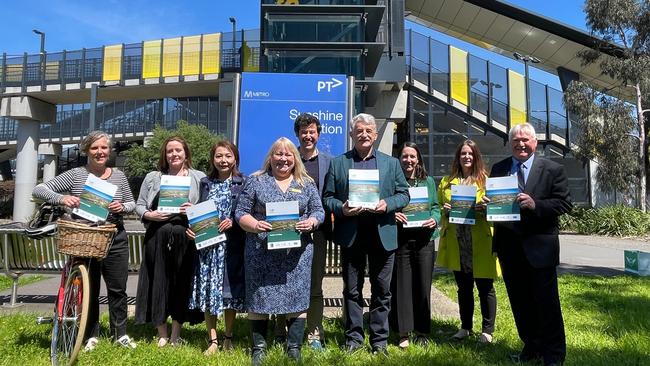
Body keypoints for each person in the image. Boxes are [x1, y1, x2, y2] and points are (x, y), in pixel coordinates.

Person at [32, 130, 137, 350]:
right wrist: (63, 198)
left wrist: (122, 207)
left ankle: (121, 334)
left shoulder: (119, 176)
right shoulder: (76, 174)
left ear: (110, 150)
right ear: (87, 151)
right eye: (95, 148)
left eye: (104, 148)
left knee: (117, 288)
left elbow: (131, 203)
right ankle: (91, 334)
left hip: (114, 235)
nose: (100, 152)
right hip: (86, 237)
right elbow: (40, 189)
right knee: (90, 288)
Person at [323, 113, 410, 355]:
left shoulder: (391, 164)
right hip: (352, 235)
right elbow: (327, 198)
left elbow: (404, 194)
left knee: (382, 290)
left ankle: (379, 341)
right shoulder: (338, 163)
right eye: (359, 130)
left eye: (368, 130)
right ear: (351, 134)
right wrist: (341, 208)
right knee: (351, 289)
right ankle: (353, 338)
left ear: (376, 134)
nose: (363, 134)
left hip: (383, 234)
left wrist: (387, 204)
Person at [235, 137, 324, 365]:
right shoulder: (256, 181)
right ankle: (259, 348)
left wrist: (312, 222)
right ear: (270, 158)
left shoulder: (306, 183)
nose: (283, 159)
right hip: (261, 252)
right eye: (278, 154)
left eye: (288, 155)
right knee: (259, 299)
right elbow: (240, 212)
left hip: (297, 256)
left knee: (297, 298)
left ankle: (293, 347)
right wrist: (254, 225)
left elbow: (318, 210)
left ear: (294, 158)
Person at [489, 123, 572, 366]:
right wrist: (486, 205)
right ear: (510, 143)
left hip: (540, 248)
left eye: (525, 140)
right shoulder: (499, 168)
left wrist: (537, 205)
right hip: (508, 247)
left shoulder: (552, 169)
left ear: (535, 143)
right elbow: (496, 205)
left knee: (546, 303)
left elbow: (564, 204)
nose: (521, 144)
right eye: (516, 140)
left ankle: (554, 355)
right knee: (520, 302)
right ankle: (531, 347)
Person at [134, 136, 205, 347]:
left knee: (181, 283)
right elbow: (139, 205)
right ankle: (161, 333)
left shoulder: (199, 177)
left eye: (178, 150)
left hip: (186, 238)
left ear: (186, 153)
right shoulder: (152, 177)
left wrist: (194, 211)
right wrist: (149, 215)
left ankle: (176, 333)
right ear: (165, 155)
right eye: (169, 151)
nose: (174, 154)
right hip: (157, 236)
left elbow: (206, 208)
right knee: (158, 281)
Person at [274, 113, 333, 350]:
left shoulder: (329, 162)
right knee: (283, 281)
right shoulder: (286, 158)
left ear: (318, 134)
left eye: (312, 131)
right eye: (303, 132)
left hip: (317, 233)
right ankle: (281, 329)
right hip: (286, 231)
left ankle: (314, 333)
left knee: (315, 285)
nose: (308, 136)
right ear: (297, 134)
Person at [186, 140, 246, 355]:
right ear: (213, 159)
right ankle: (212, 340)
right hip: (207, 248)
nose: (223, 160)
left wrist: (234, 221)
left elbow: (246, 211)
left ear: (235, 158)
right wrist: (192, 228)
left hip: (231, 248)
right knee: (208, 293)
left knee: (229, 295)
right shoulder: (205, 183)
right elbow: (199, 211)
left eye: (228, 156)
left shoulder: (243, 182)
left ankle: (228, 337)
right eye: (219, 156)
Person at [436, 139, 498, 344]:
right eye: (463, 153)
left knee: (485, 287)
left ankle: (487, 331)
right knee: (463, 288)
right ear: (458, 157)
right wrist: (444, 211)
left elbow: (499, 211)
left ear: (476, 156)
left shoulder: (487, 182)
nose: (467, 157)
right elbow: (437, 208)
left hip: (480, 240)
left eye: (470, 153)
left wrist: (486, 208)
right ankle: (465, 327)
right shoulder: (446, 181)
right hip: (458, 241)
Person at [390, 141, 441, 349]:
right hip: (401, 240)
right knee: (401, 287)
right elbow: (387, 204)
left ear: (418, 158)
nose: (408, 160)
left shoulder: (427, 181)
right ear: (399, 158)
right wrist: (393, 214)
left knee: (422, 286)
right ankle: (403, 332)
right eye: (404, 156)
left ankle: (422, 331)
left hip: (424, 240)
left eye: (412, 156)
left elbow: (436, 207)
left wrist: (435, 218)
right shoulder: (393, 181)